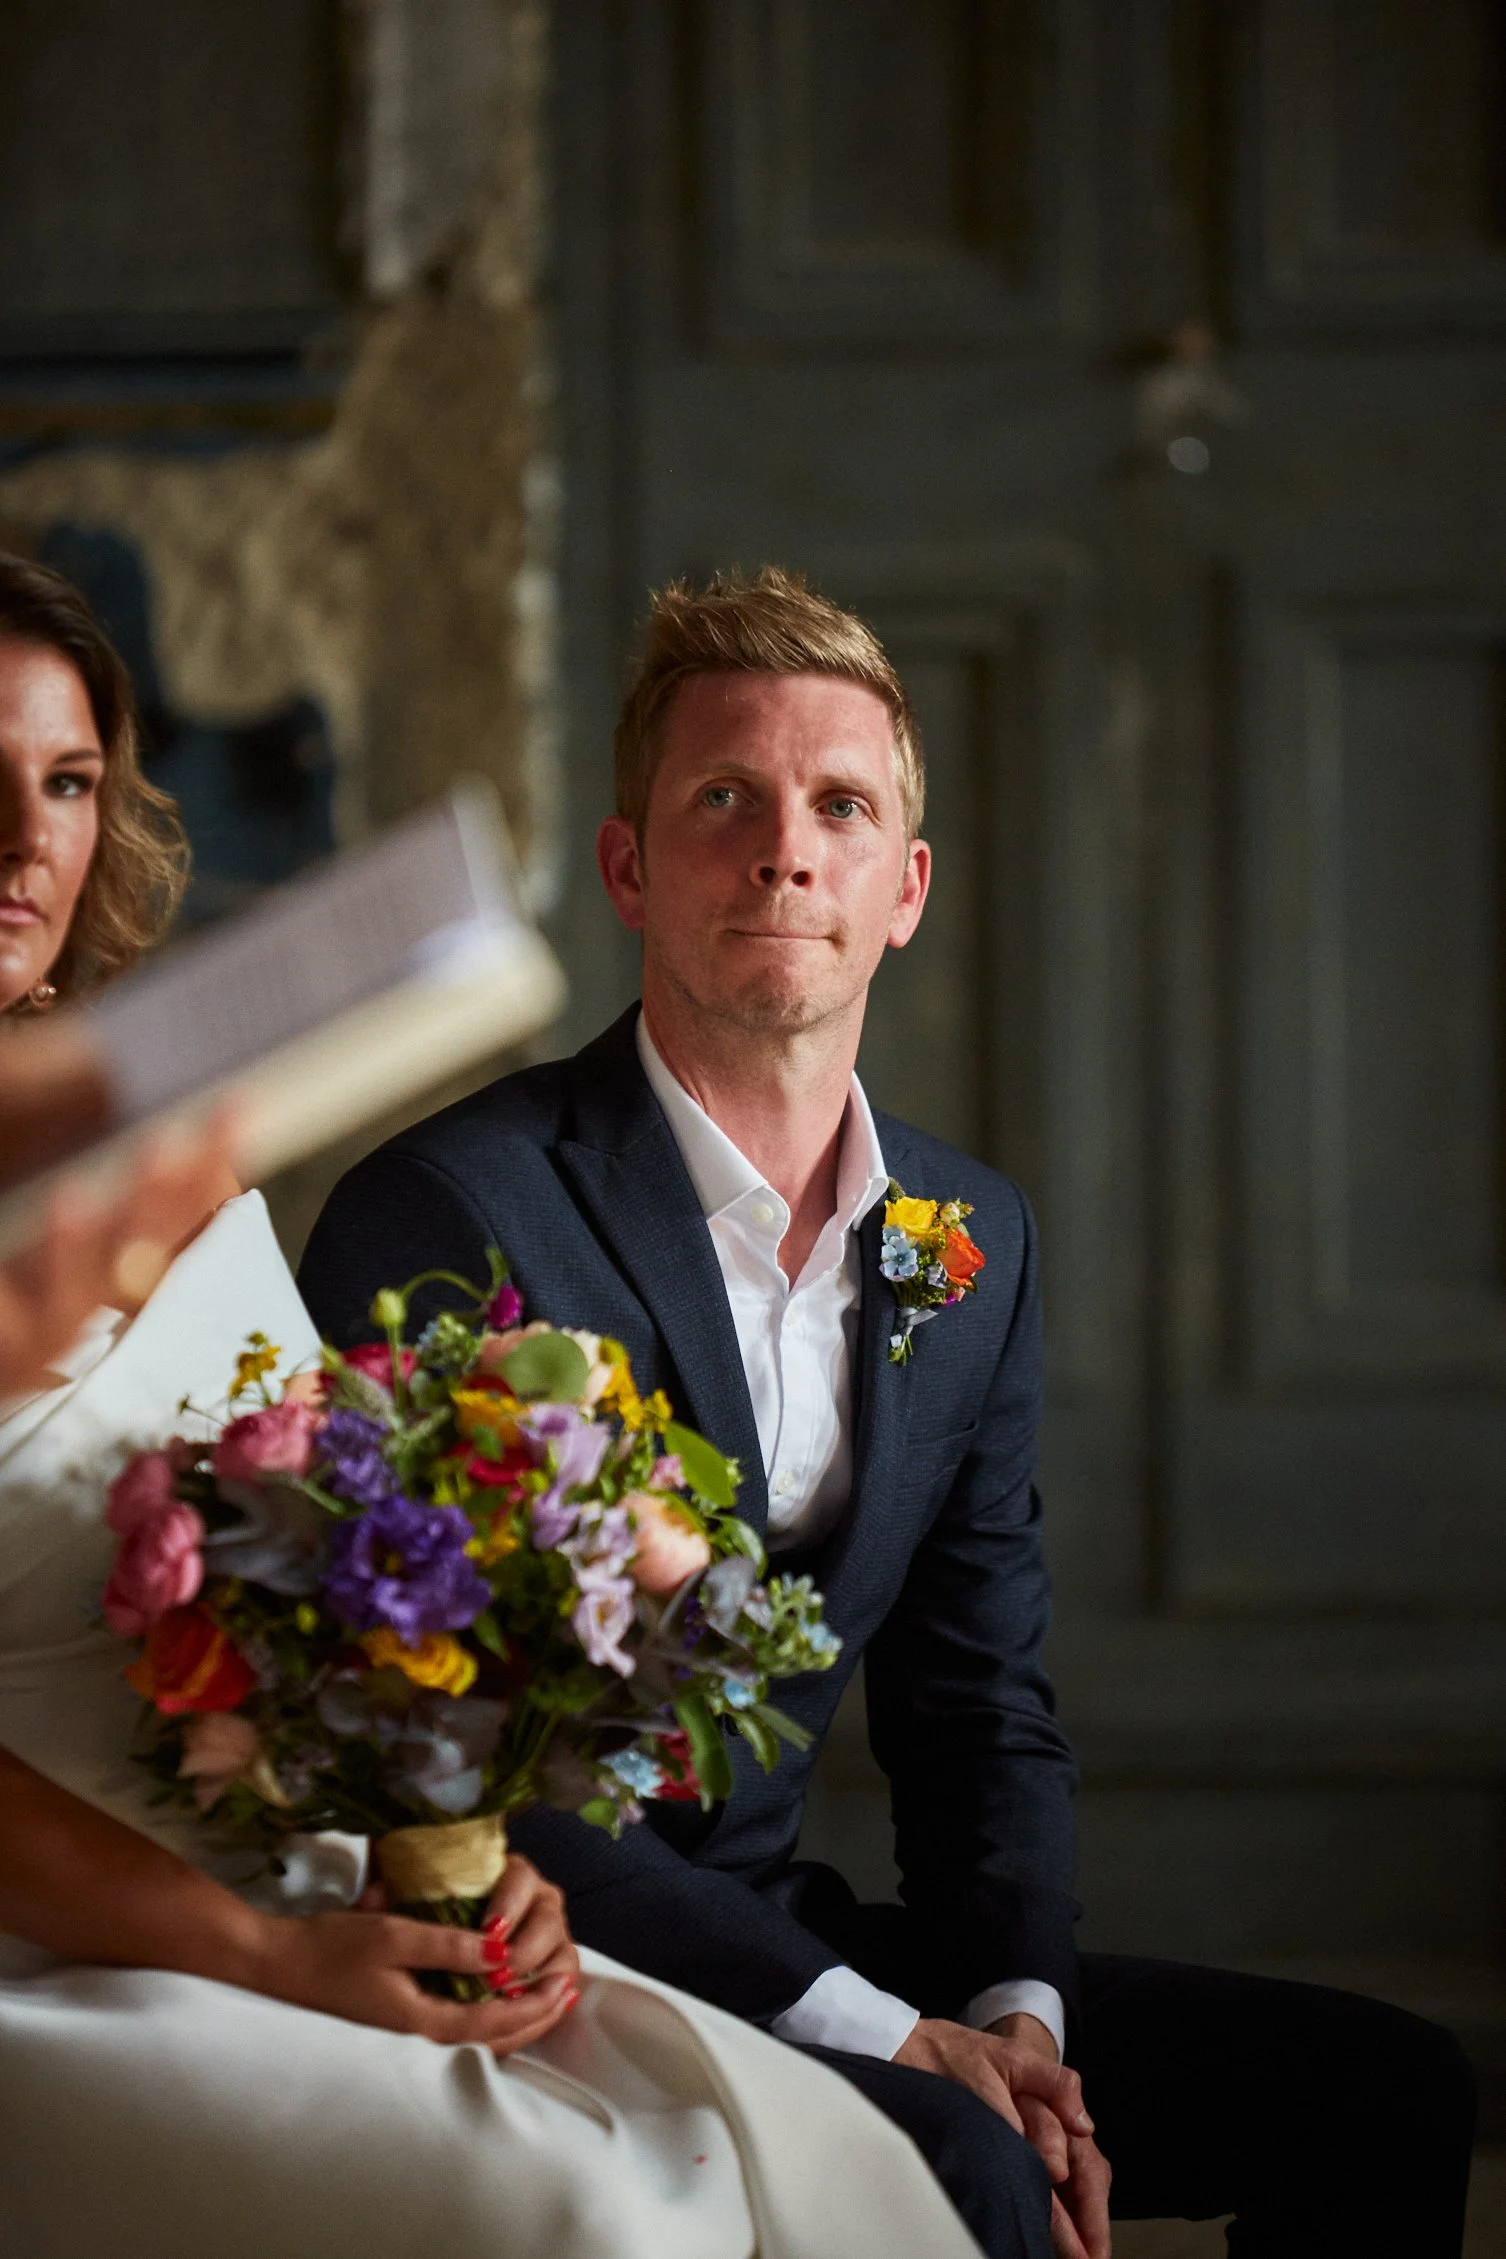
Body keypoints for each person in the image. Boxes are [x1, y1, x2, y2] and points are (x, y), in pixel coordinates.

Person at [301, 567, 1478, 2259]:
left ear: (904, 885)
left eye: (838, 806)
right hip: (542, 1945)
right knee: (959, 2160)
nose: (785, 848)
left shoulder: (965, 1240)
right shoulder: (450, 1214)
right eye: (724, 798)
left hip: (788, 1926)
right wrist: (878, 2030)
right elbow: (448, 1765)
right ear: (629, 864)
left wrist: (1015, 2014)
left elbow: (975, 1697)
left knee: (1384, 2089)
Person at [0, 553, 988, 2259]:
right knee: (594, 2215)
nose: (26, 840)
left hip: (314, 1869)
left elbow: (335, 1571)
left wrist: (453, 1843)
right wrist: (269, 1956)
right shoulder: (459, 1196)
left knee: (818, 2163)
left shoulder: (161, 1155)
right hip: (67, 1927)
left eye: (68, 779)